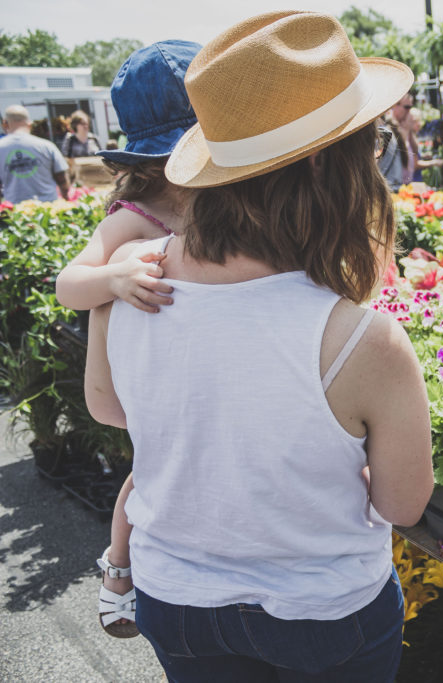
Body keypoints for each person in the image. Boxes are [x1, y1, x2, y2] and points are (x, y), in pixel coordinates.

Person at [83, 11, 433, 681]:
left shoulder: (130, 270)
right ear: (333, 165)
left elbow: (107, 406)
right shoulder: (361, 337)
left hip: (175, 596)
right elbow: (401, 504)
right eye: (374, 139)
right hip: (324, 611)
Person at [55, 39, 202, 640]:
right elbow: (69, 285)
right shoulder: (134, 215)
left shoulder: (218, 203)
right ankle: (119, 566)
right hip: (147, 381)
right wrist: (114, 278)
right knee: (149, 476)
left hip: (189, 375)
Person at [0, 105, 70, 203]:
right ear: (30, 124)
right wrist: (66, 200)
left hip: (15, 212)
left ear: (5, 124)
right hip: (48, 210)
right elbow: (62, 179)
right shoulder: (47, 146)